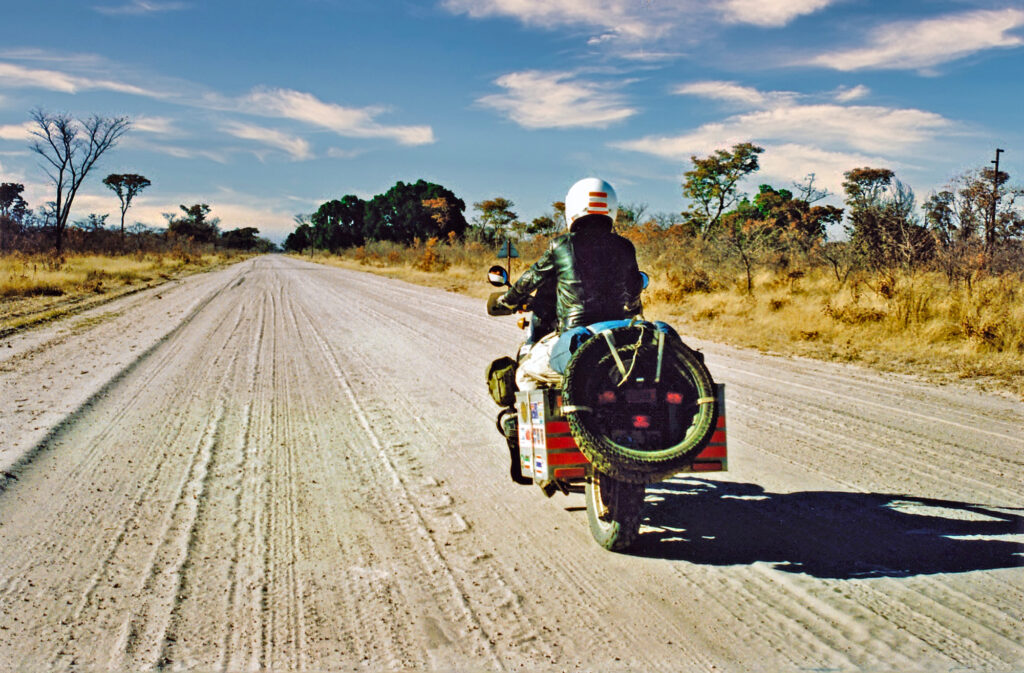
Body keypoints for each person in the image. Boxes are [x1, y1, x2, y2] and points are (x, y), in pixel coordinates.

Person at [497, 177, 643, 390]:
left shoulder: (561, 245)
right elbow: (634, 291)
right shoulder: (625, 247)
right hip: (619, 339)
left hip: (577, 336)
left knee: (524, 374)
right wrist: (633, 309)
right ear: (611, 209)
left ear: (572, 208)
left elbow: (532, 278)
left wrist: (508, 300)